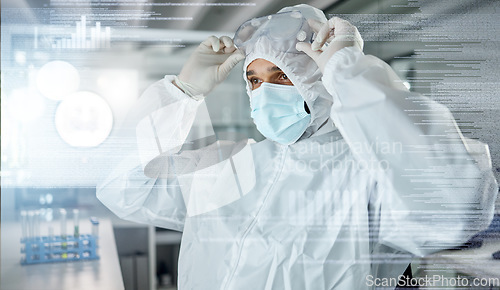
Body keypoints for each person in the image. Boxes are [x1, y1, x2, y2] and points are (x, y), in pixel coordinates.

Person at [97, 4, 498, 289]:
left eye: (283, 76)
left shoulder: (368, 176)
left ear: (322, 81)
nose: (264, 92)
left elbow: (454, 209)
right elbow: (125, 188)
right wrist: (180, 93)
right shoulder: (233, 165)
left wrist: (349, 75)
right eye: (254, 80)